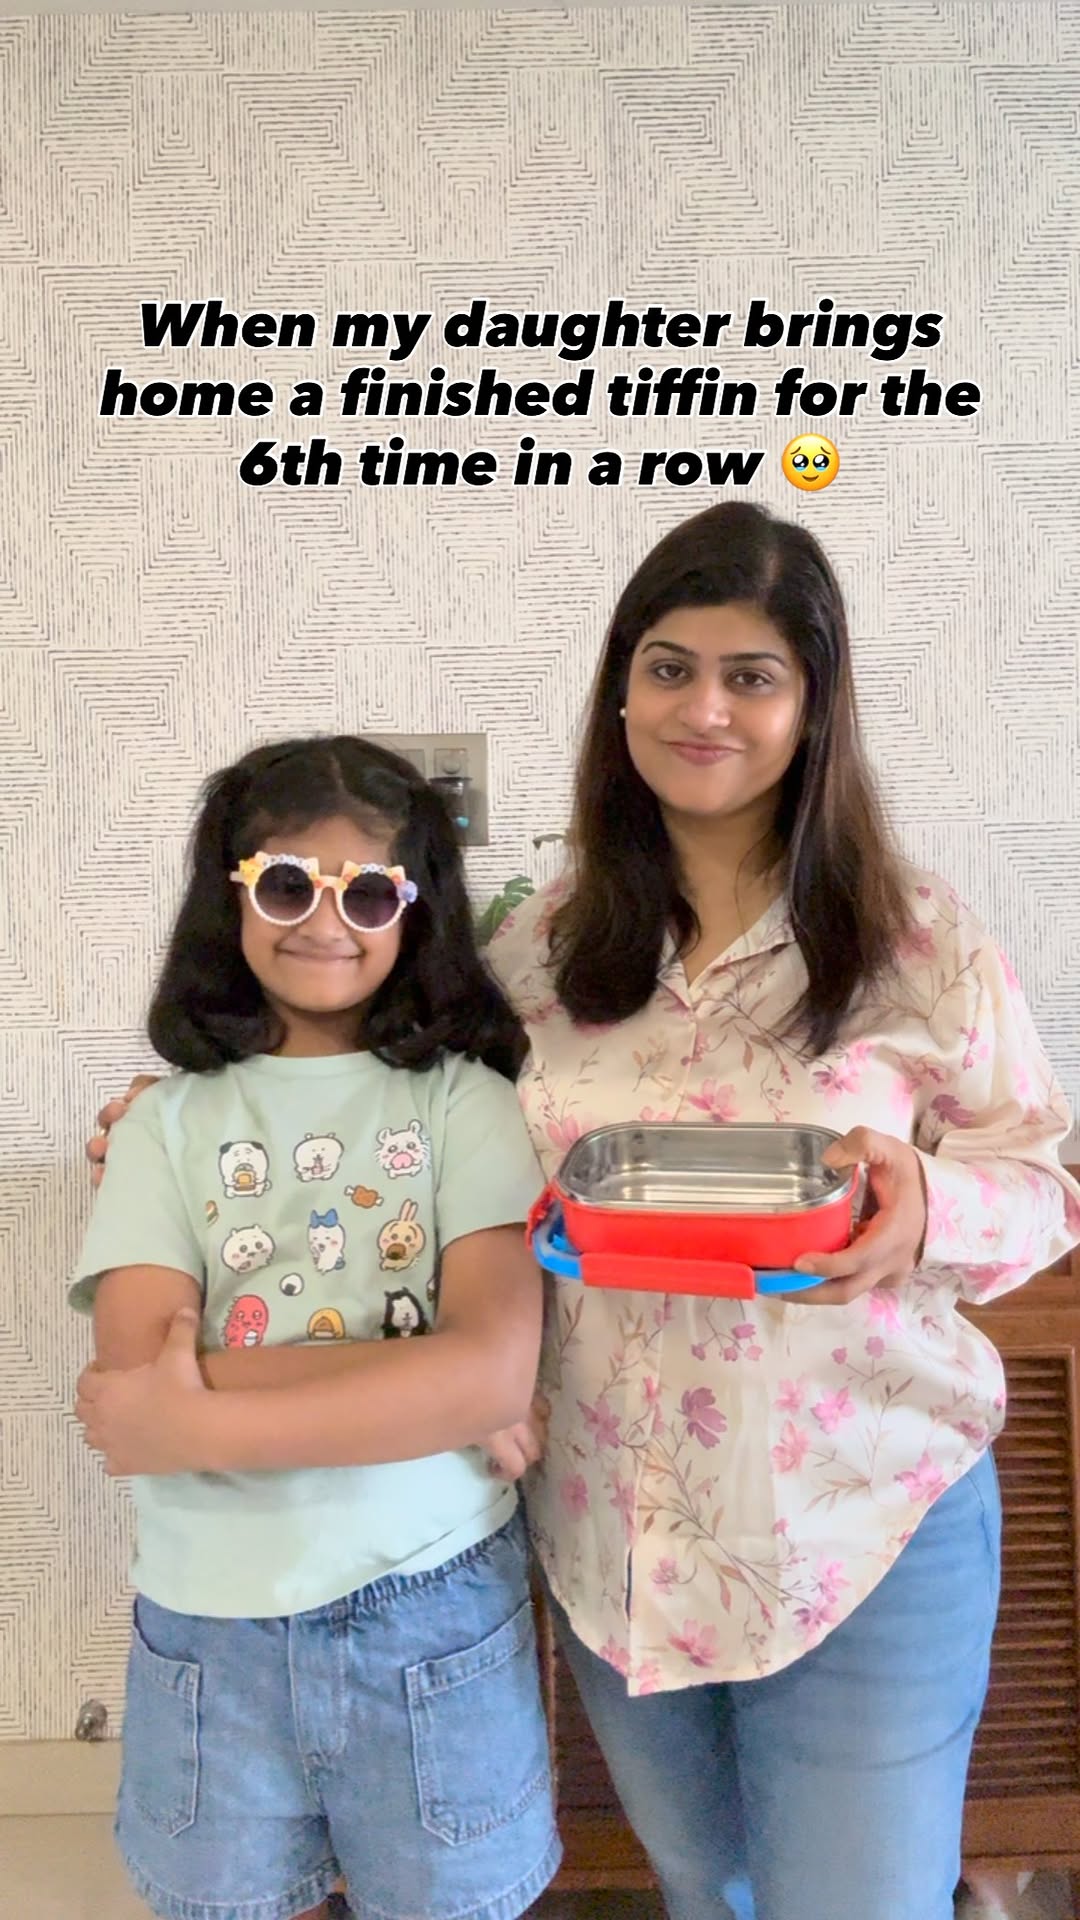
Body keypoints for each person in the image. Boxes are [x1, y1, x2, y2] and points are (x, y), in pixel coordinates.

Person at [84, 504, 1080, 1920]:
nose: (704, 710)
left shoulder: (919, 942)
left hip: (858, 1519)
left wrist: (930, 1205)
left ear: (813, 707)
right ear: (621, 692)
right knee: (702, 1885)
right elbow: (385, 1102)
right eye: (670, 668)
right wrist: (188, 1108)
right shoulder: (534, 944)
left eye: (752, 676)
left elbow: (1044, 1182)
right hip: (615, 1533)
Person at [70, 736, 561, 1920]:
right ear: (232, 895)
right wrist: (424, 1389)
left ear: (415, 910)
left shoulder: (469, 1104)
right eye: (288, 885)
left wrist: (204, 1413)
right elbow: (134, 1379)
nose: (325, 923)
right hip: (210, 1623)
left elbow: (492, 1375)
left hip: (432, 1605)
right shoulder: (163, 1126)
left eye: (368, 894)